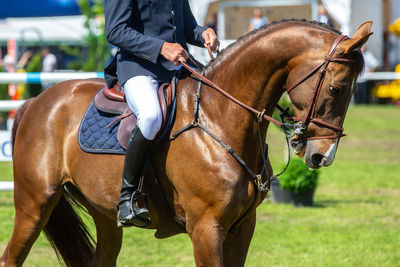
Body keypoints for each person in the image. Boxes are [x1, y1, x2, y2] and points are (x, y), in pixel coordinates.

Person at [104, 0, 219, 227]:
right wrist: (160, 48)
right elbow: (116, 30)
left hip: (178, 66)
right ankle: (127, 198)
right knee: (151, 116)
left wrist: (203, 32)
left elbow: (186, 28)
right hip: (140, 68)